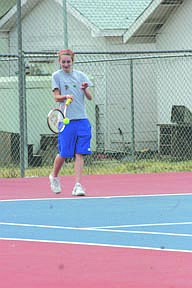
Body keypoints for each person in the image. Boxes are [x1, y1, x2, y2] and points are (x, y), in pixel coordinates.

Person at [49, 49, 93, 196]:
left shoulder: (81, 76)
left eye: (68, 61)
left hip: (82, 120)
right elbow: (56, 97)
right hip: (66, 120)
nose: (66, 64)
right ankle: (54, 176)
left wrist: (85, 89)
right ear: (59, 62)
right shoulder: (56, 76)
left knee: (80, 153)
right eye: (63, 62)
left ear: (72, 61)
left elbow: (89, 97)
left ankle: (78, 185)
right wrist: (65, 97)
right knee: (64, 153)